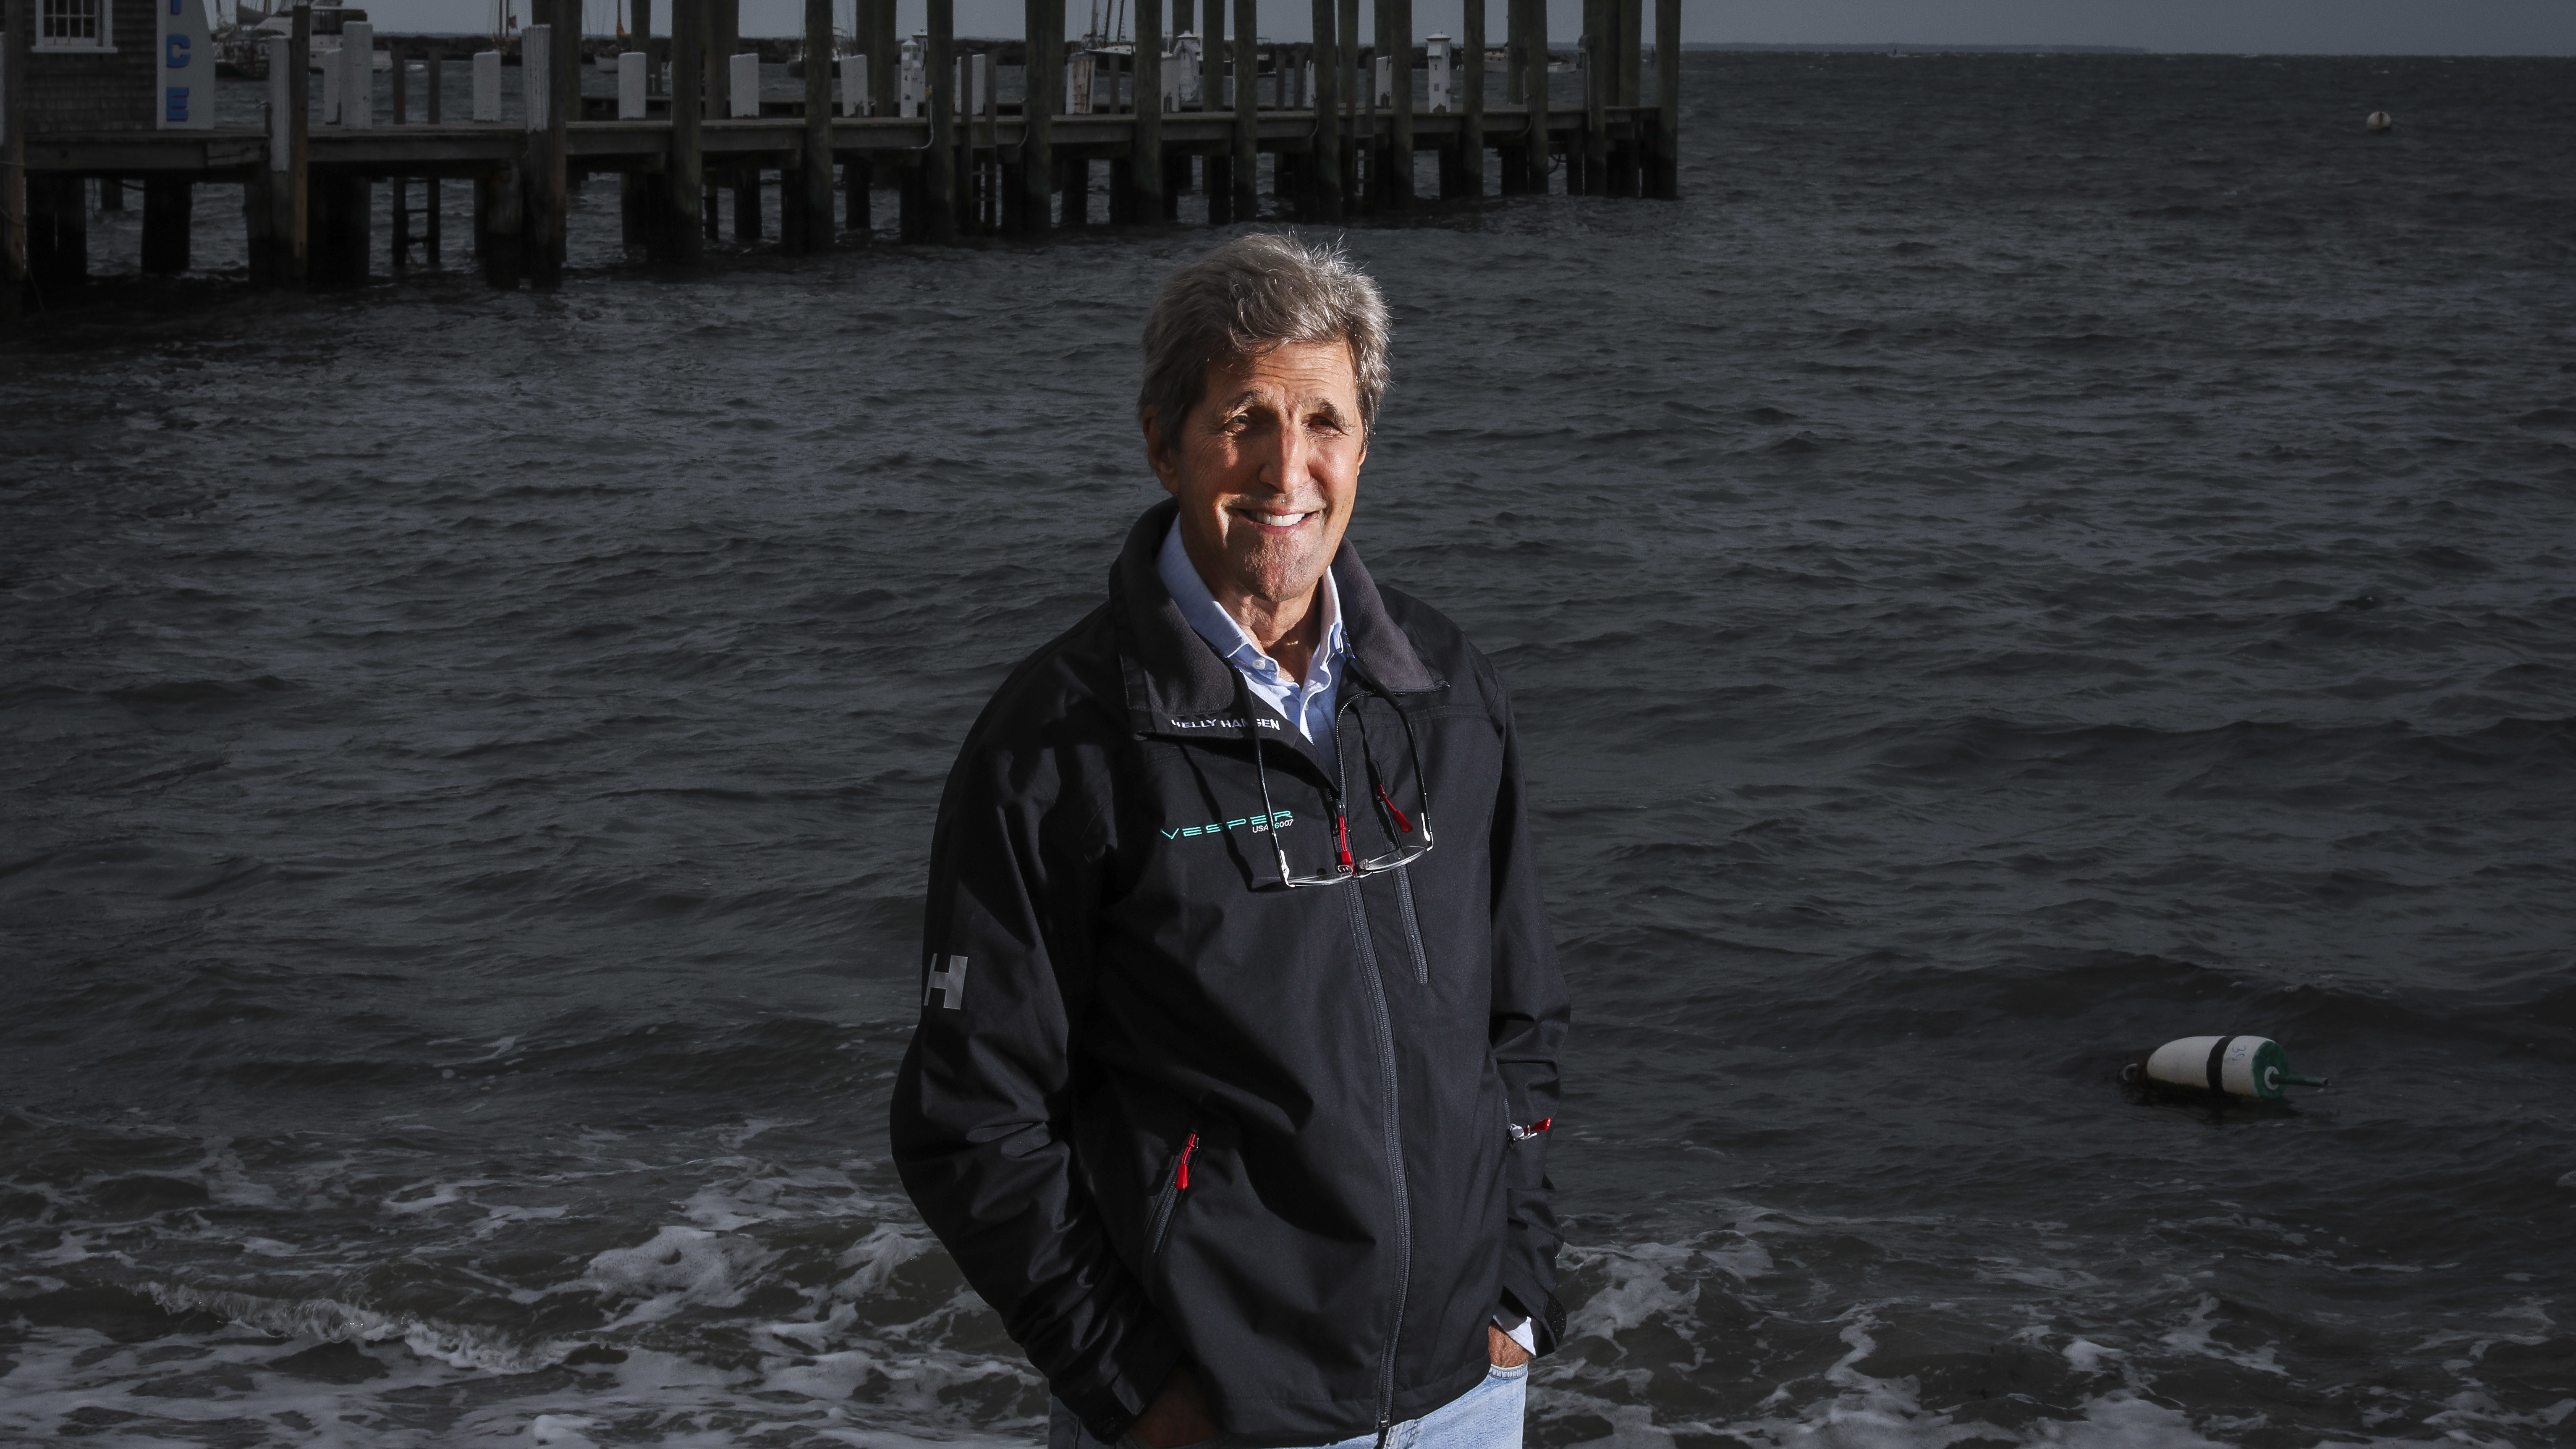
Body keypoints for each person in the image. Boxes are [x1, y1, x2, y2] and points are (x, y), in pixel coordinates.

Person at [889, 234, 1571, 1449]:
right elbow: (969, 1118)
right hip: (1215, 1418)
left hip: (1468, 1395)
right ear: (1164, 438)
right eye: (1244, 417)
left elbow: (1520, 1022)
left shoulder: (1448, 691)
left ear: (1364, 444)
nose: (1287, 465)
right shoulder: (1057, 745)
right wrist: (1138, 1391)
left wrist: (1517, 1290)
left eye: (1324, 420)